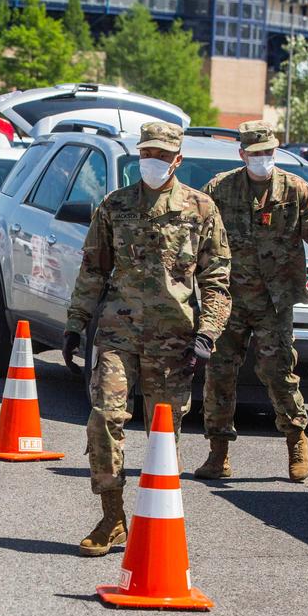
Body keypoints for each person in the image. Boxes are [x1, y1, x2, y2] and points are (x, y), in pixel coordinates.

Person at [63, 122, 232, 557]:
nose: (152, 162)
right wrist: (75, 321)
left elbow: (216, 279)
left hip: (174, 340)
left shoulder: (200, 209)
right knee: (104, 416)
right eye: (147, 154)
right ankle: (111, 516)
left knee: (163, 437)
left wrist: (208, 332)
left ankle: (155, 522)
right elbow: (94, 269)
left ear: (177, 160)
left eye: (161, 155)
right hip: (119, 332)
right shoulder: (114, 206)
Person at [195, 120, 308, 483]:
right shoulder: (221, 189)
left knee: (279, 372)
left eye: (268, 153)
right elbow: (194, 231)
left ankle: (296, 439)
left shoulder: (294, 190)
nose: (263, 159)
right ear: (242, 154)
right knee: (219, 375)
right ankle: (218, 453)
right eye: (256, 153)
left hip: (274, 301)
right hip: (227, 300)